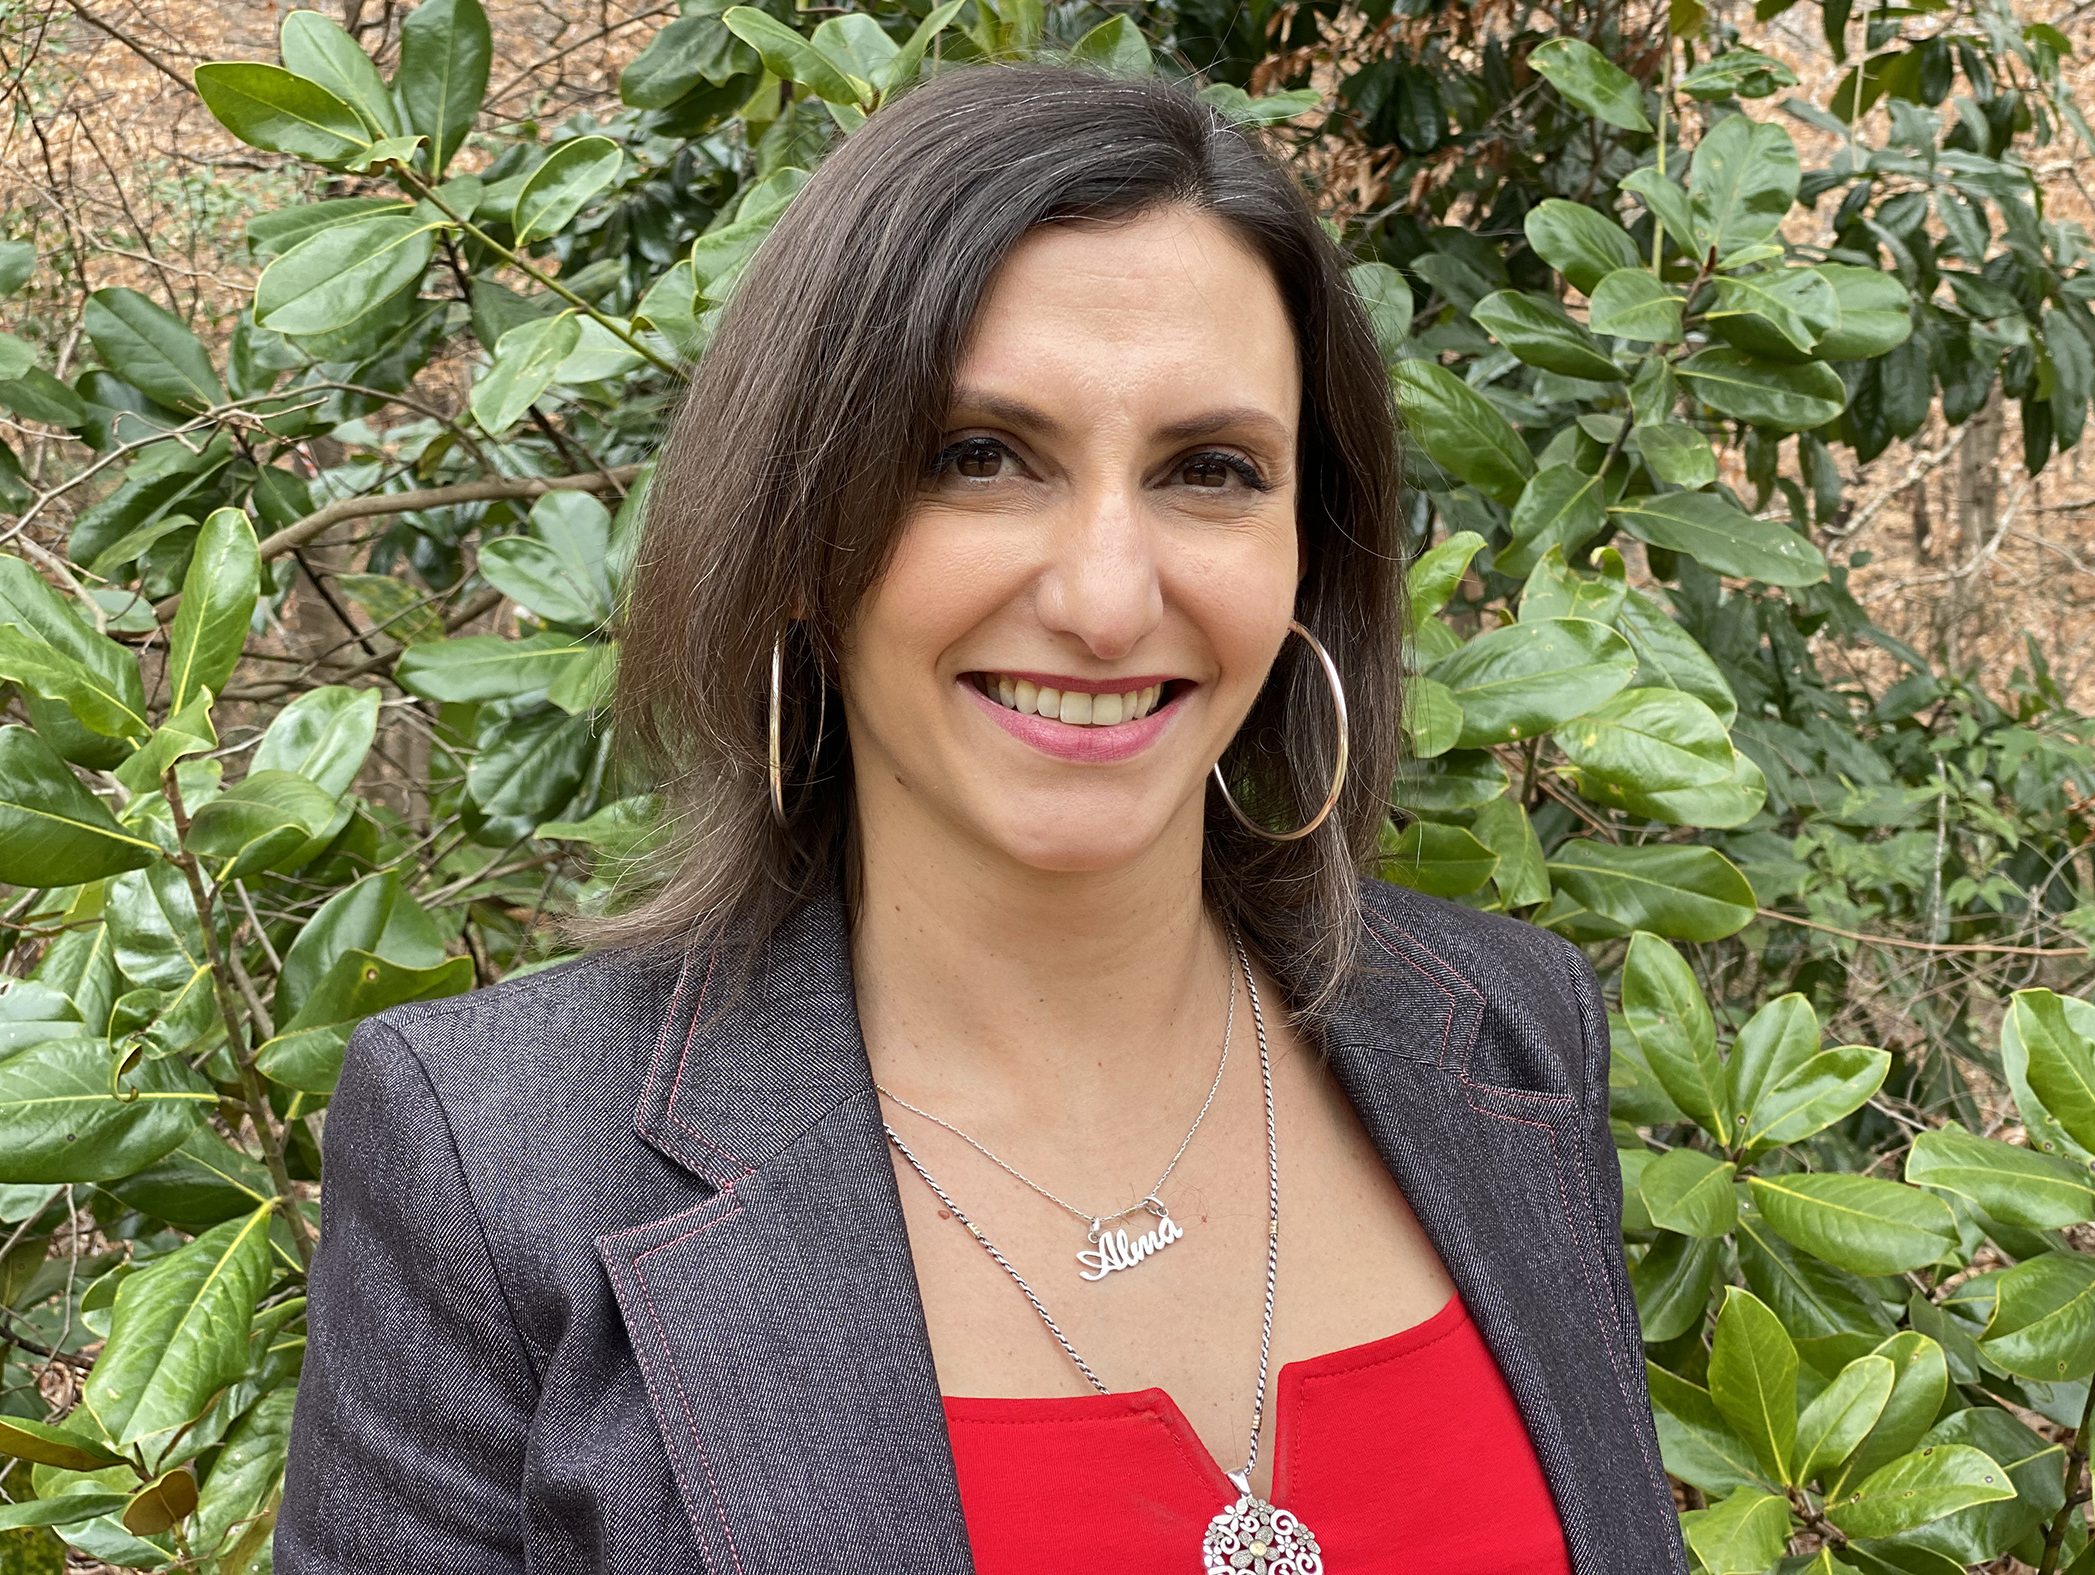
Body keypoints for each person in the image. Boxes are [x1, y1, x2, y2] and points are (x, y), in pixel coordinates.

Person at [278, 62, 1681, 1575]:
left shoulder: (1505, 1034)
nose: (1102, 598)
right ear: (804, 529)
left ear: (1305, 553)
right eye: (980, 459)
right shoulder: (500, 1159)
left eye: (1211, 472)